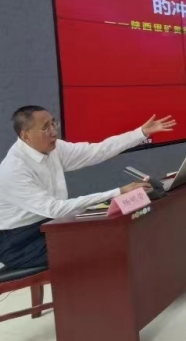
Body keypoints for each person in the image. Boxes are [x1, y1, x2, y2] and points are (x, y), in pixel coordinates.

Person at [0, 107, 176, 270]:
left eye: (54, 124)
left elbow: (98, 151)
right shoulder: (14, 170)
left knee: (109, 232)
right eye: (46, 128)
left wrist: (140, 133)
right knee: (97, 244)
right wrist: (118, 192)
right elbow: (54, 209)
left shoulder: (55, 148)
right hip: (19, 242)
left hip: (49, 224)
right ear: (26, 136)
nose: (54, 132)